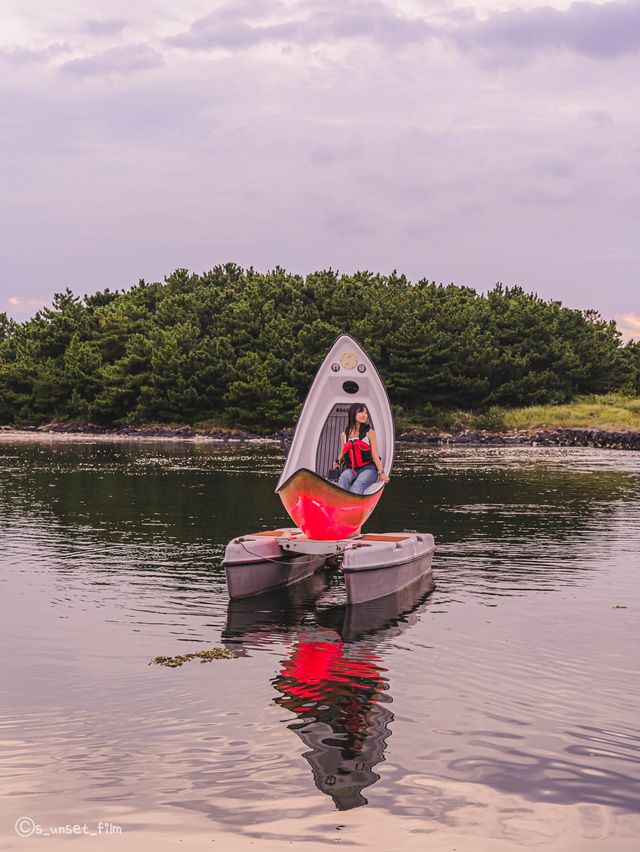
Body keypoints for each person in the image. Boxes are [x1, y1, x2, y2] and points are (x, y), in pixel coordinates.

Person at [333, 403, 390, 493]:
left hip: (369, 469)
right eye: (361, 412)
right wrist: (337, 461)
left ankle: (355, 507)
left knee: (358, 484)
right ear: (353, 414)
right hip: (351, 469)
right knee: (343, 478)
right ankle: (342, 505)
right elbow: (343, 453)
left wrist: (382, 473)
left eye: (366, 413)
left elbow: (375, 455)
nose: (364, 415)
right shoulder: (344, 435)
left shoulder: (370, 433)